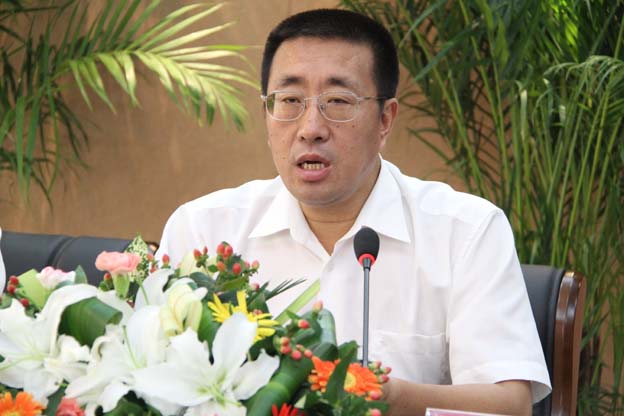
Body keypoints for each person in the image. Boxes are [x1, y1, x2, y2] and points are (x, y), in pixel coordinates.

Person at [157, 8, 550, 415]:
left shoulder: (466, 231)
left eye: (338, 102)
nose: (311, 128)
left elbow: (509, 405)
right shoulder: (203, 230)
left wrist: (392, 398)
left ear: (385, 119)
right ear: (266, 114)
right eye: (290, 101)